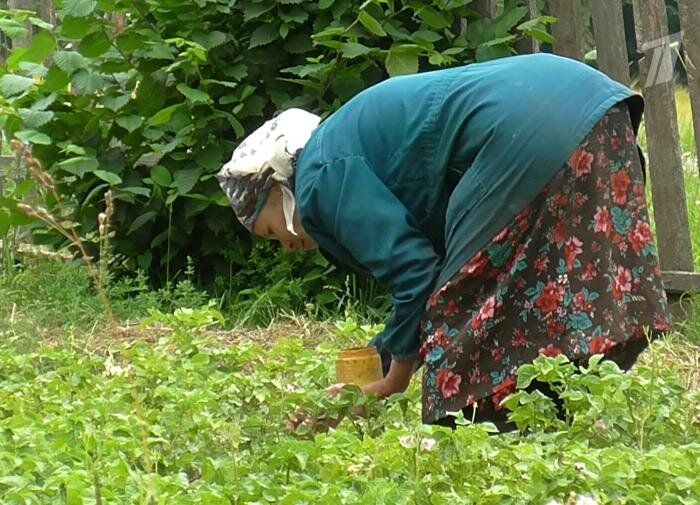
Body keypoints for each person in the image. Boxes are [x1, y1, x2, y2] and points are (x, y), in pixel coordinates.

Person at [218, 53, 671, 430]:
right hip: (598, 109)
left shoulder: (319, 176)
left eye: (271, 231)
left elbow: (417, 276)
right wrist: (378, 364)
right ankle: (551, 422)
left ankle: (495, 446)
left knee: (465, 314)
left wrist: (393, 381)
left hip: (532, 133)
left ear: (278, 186)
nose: (286, 246)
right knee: (547, 291)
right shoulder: (342, 142)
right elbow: (430, 278)